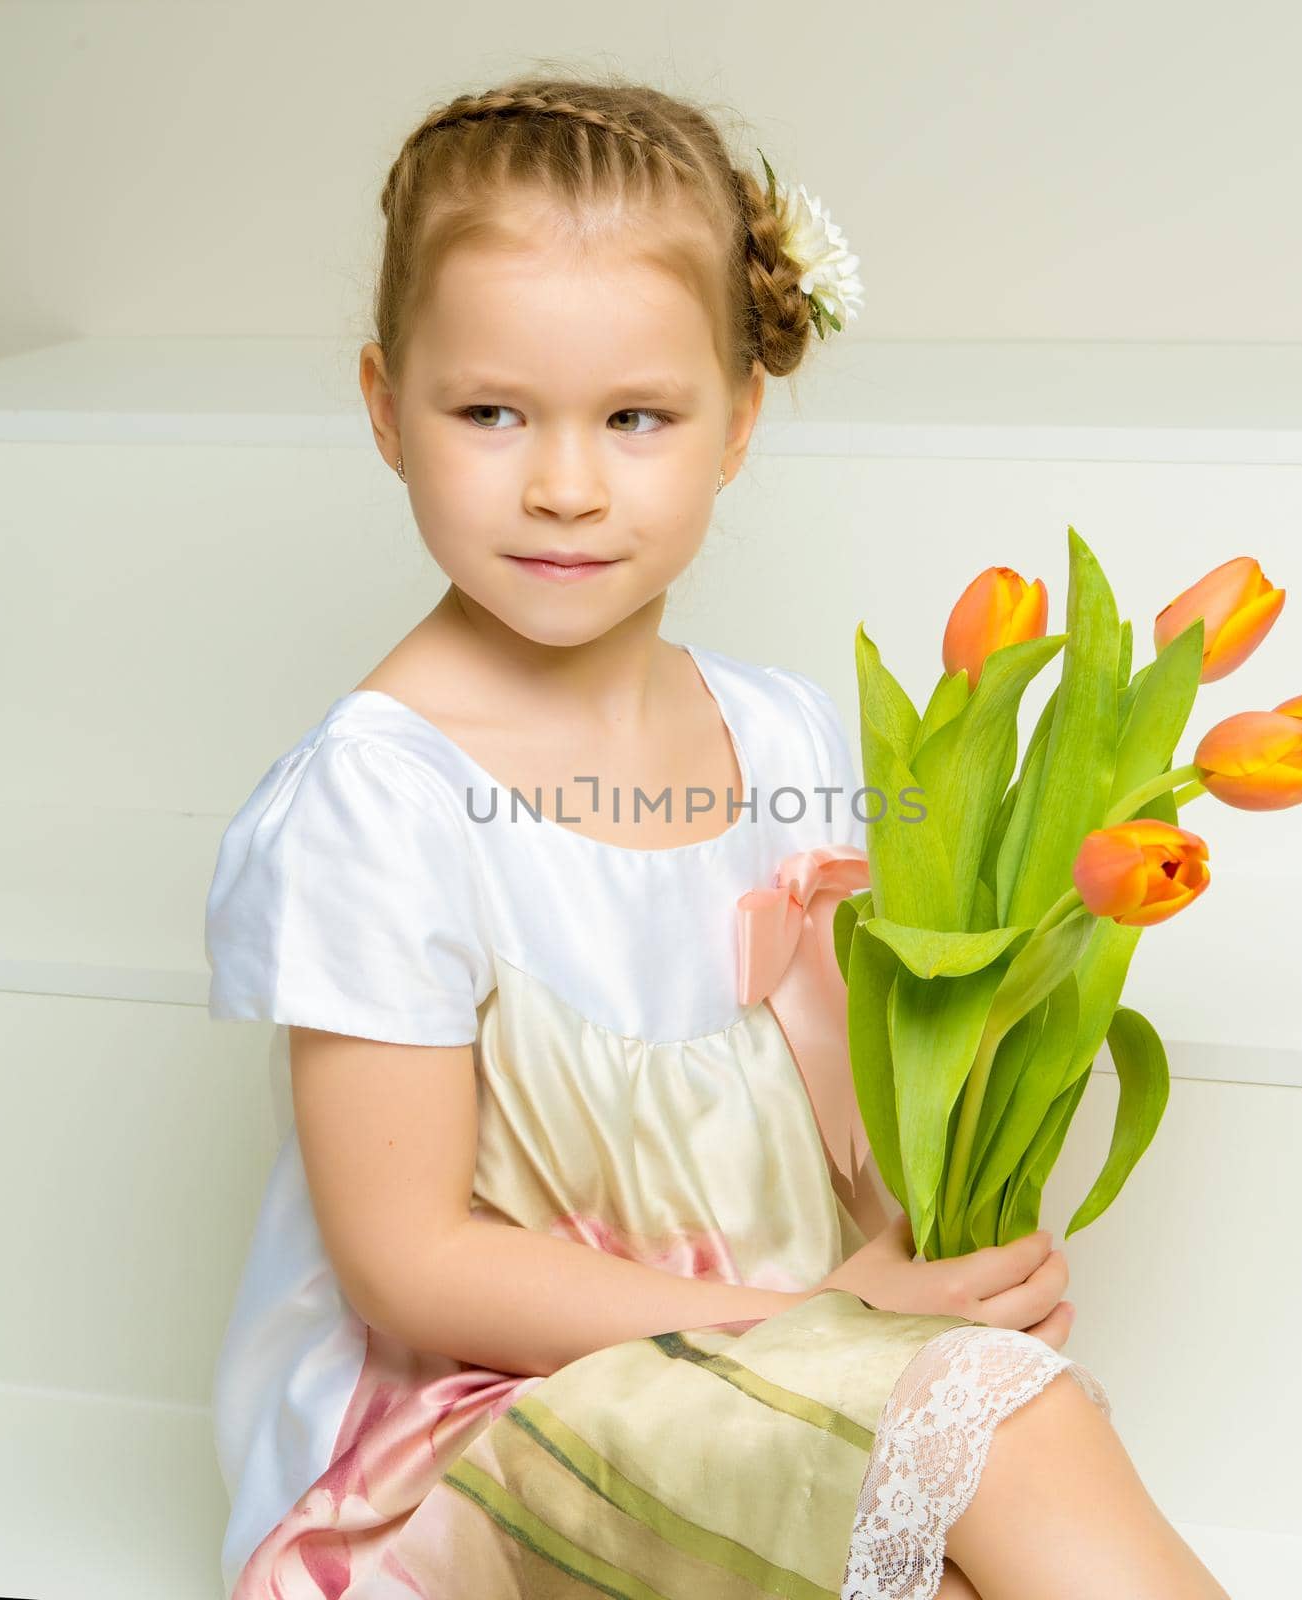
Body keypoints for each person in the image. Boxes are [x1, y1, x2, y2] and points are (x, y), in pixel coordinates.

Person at [203, 67, 1231, 1600]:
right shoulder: (379, 801)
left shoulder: (791, 740)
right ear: (383, 407)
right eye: (491, 412)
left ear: (738, 422)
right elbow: (409, 1268)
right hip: (472, 1436)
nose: (562, 485)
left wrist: (929, 1270)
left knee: (974, 1525)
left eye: (635, 417)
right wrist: (841, 1329)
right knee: (996, 1430)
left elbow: (848, 1129)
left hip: (762, 1378)